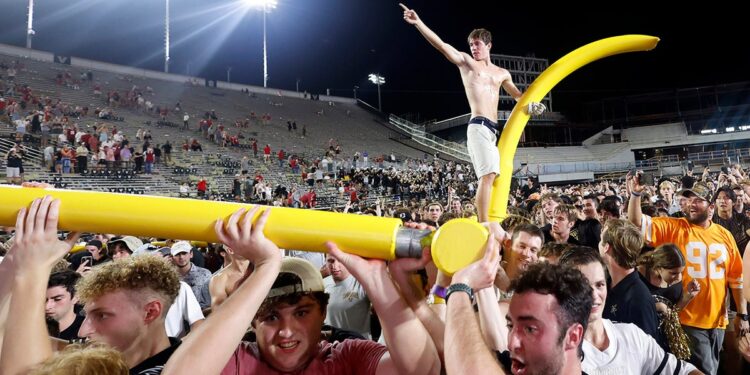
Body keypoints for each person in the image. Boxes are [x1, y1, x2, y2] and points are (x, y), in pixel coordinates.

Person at [163, 206, 440, 375]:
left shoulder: (345, 358)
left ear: (323, 313)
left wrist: (377, 280)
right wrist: (266, 266)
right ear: (253, 321)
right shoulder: (236, 360)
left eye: (302, 312)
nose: (286, 331)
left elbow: (421, 369)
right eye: (271, 317)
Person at [400, 3, 545, 227]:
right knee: (486, 177)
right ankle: (484, 224)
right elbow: (441, 45)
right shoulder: (467, 63)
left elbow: (519, 97)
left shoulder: (502, 73)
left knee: (495, 178)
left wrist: (533, 105)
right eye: (471, 44)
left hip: (493, 131)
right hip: (477, 126)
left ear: (489, 45)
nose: (473, 48)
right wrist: (418, 23)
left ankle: (492, 219)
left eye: (477, 44)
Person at [629, 176, 747, 375]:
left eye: (698, 200)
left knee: (717, 367)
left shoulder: (724, 235)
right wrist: (635, 194)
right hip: (688, 319)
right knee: (705, 371)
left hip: (718, 320)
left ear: (710, 206)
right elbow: (636, 223)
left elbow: (736, 278)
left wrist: (742, 315)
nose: (691, 204)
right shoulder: (675, 227)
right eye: (688, 199)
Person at [445, 243, 592, 375]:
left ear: (573, 336)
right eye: (510, 326)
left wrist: (460, 286)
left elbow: (467, 368)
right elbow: (449, 346)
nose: (511, 343)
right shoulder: (510, 365)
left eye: (530, 329)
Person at [558, 246, 700, 374]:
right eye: (582, 286)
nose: (594, 295)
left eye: (599, 285)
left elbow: (682, 370)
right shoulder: (556, 351)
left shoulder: (631, 335)